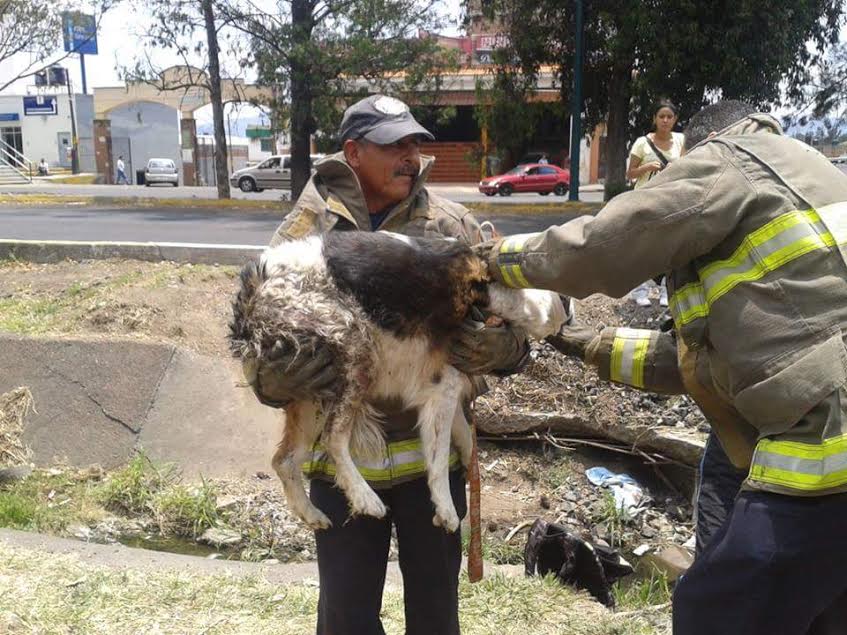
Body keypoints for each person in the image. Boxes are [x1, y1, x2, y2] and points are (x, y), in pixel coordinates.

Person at [475, 100, 847, 634]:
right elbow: (691, 361)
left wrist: (495, 260)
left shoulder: (730, 158)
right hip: (812, 423)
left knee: (713, 610)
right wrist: (574, 340)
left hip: (825, 441)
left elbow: (600, 246)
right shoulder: (811, 168)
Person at [243, 94, 533, 635]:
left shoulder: (451, 227)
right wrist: (274, 377)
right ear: (353, 152)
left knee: (435, 620)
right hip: (345, 464)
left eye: (413, 143)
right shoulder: (303, 235)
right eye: (392, 144)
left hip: (433, 464)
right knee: (346, 621)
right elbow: (259, 336)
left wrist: (502, 352)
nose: (409, 155)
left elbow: (514, 328)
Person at [626, 100, 685, 307]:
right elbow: (630, 173)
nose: (666, 120)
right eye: (662, 116)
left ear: (675, 119)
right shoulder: (642, 143)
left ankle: (665, 291)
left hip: (670, 201)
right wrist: (647, 167)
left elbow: (689, 164)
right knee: (642, 246)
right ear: (655, 119)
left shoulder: (681, 141)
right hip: (644, 201)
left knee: (668, 247)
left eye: (670, 116)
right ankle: (639, 290)